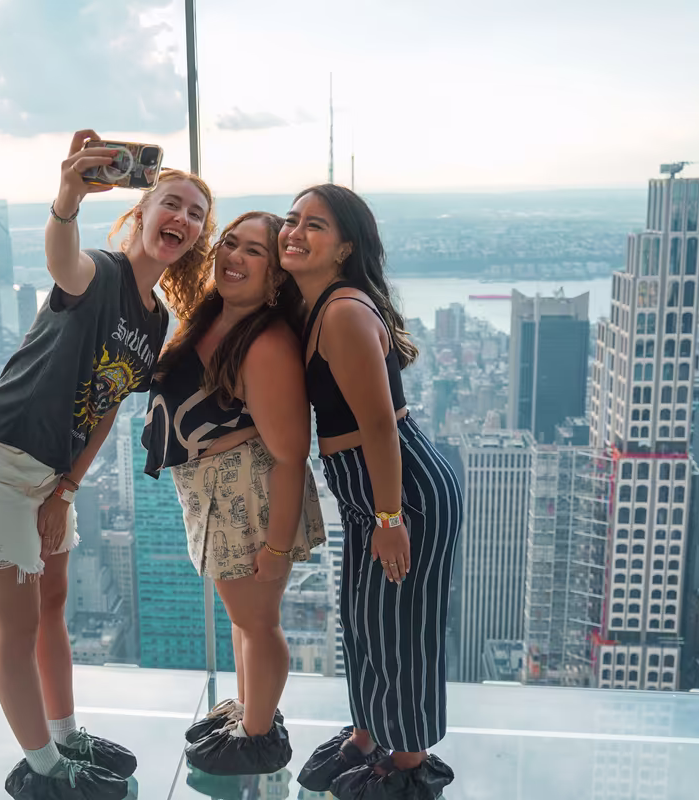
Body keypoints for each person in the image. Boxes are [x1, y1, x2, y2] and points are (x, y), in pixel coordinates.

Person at [0, 129, 215, 800]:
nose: (181, 218)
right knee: (18, 626)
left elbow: (110, 405)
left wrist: (67, 490)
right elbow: (64, 264)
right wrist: (66, 200)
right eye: (170, 202)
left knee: (53, 604)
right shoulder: (101, 273)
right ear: (140, 214)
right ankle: (45, 773)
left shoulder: (155, 320)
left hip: (46, 478)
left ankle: (65, 735)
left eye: (196, 213)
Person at [280, 185, 461, 800]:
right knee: (362, 623)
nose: (295, 232)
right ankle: (366, 735)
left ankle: (408, 764)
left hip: (399, 492)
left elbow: (380, 425)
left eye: (316, 225)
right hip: (370, 494)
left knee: (398, 628)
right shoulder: (316, 305)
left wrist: (390, 516)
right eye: (291, 220)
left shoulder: (342, 313)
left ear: (345, 247)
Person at [142, 211, 325, 776]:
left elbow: (293, 452)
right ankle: (250, 714)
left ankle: (257, 736)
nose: (234, 257)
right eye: (230, 243)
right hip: (216, 494)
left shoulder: (265, 342)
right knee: (244, 621)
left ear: (276, 279)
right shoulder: (212, 316)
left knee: (259, 622)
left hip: (248, 499)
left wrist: (275, 548)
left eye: (254, 252)